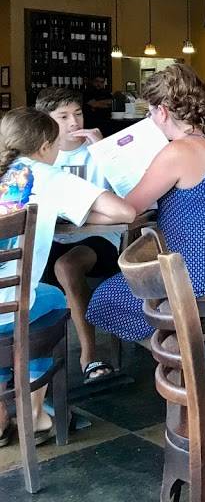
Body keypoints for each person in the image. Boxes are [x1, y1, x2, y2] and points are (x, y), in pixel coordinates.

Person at [87, 64, 205, 345]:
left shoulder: (178, 151)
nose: (150, 118)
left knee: (106, 298)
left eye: (150, 112)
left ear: (163, 111)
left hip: (199, 273)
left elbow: (128, 210)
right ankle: (181, 341)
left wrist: (81, 215)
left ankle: (181, 353)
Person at [0, 108, 135, 446]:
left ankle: (0, 418)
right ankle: (35, 415)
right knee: (48, 300)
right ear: (46, 146)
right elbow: (125, 211)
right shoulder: (48, 177)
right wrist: (80, 211)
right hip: (10, 310)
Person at [34, 88, 122, 382]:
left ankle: (89, 355)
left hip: (100, 239)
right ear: (45, 121)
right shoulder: (39, 157)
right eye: (63, 116)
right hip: (53, 237)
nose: (74, 122)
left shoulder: (99, 150)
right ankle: (34, 367)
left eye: (78, 113)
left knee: (67, 266)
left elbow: (128, 194)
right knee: (27, 265)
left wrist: (105, 152)